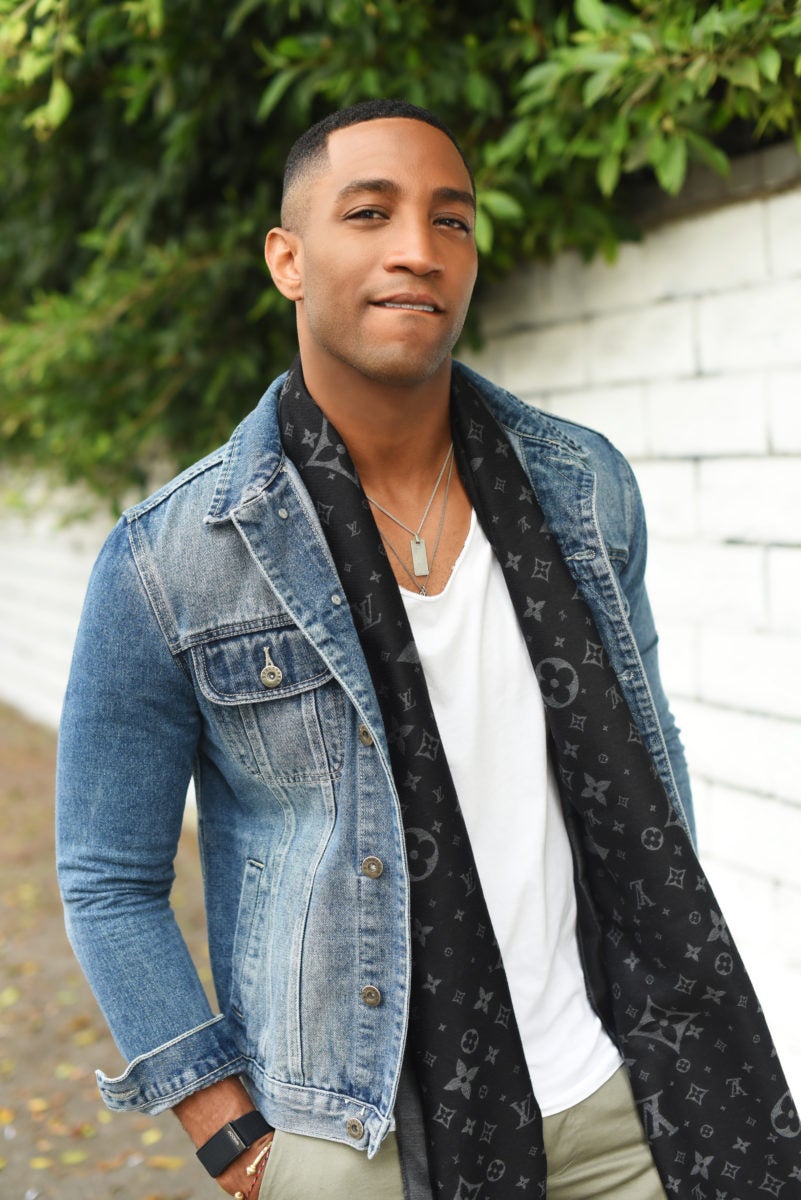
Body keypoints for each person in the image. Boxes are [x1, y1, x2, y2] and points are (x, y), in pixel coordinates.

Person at [56, 100, 799, 1200]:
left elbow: (650, 750)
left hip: (617, 1099)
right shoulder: (174, 557)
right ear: (287, 259)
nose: (418, 247)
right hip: (359, 1138)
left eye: (451, 220)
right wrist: (237, 1141)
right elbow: (107, 879)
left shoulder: (581, 487)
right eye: (371, 213)